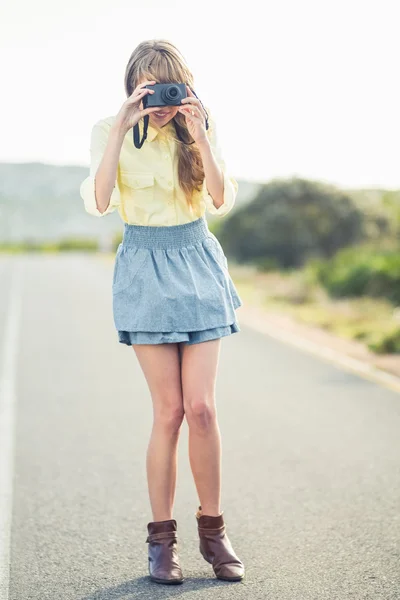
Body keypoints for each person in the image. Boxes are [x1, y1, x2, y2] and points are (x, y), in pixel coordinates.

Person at [80, 39, 245, 585]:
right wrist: (125, 124)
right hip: (144, 265)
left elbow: (218, 198)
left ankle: (214, 532)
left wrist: (198, 132)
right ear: (132, 85)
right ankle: (161, 542)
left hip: (197, 260)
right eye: (149, 85)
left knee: (202, 409)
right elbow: (102, 200)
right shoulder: (110, 129)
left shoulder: (197, 124)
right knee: (169, 412)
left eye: (169, 84)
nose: (162, 98)